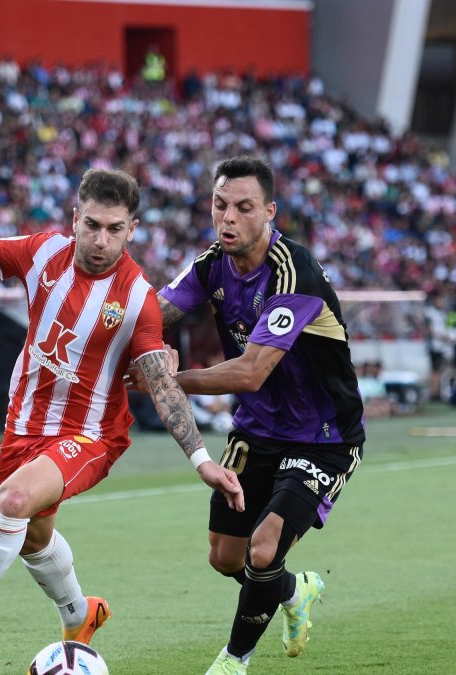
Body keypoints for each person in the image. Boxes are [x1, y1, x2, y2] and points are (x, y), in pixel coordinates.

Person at [0, 166, 243, 667]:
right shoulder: (41, 252)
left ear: (133, 230)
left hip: (89, 435)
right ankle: (79, 612)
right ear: (75, 218)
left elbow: (159, 379)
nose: (102, 240)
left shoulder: (137, 299)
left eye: (116, 229)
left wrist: (200, 459)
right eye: (94, 226)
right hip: (23, 425)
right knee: (32, 538)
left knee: (13, 501)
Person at [140, 156, 365, 674]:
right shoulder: (211, 263)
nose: (229, 218)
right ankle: (294, 591)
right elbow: (153, 313)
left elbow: (252, 372)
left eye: (243, 208)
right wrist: (127, 337)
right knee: (225, 556)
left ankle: (232, 662)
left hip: (322, 436)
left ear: (269, 211)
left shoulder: (294, 273)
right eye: (220, 206)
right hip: (256, 430)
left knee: (263, 549)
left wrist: (168, 379)